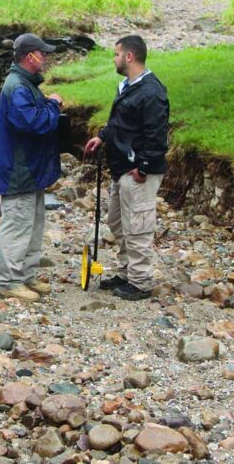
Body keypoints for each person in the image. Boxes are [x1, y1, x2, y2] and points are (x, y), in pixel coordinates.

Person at [83, 35, 169, 301]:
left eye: (116, 54)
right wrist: (103, 136)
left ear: (129, 56)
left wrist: (143, 168)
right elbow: (121, 122)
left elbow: (157, 135)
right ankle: (125, 272)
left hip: (138, 172)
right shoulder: (126, 86)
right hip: (120, 167)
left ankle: (141, 282)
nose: (114, 58)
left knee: (138, 226)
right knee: (117, 222)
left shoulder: (152, 92)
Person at [0, 34, 64, 302]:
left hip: (30, 171)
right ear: (29, 56)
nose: (45, 58)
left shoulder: (25, 84)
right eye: (42, 53)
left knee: (33, 226)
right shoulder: (18, 87)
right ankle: (10, 281)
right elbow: (33, 123)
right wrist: (53, 104)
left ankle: (26, 276)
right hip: (18, 171)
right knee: (18, 225)